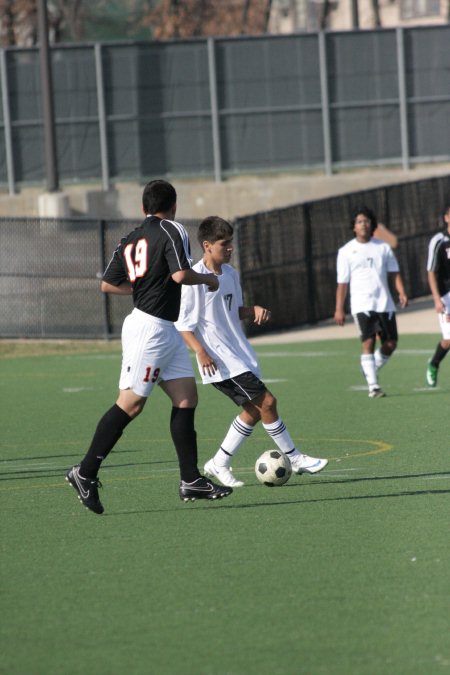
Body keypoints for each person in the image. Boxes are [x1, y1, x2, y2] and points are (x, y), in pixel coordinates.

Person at [66, 180, 233, 514]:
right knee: (130, 404)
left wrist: (143, 288)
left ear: (144, 208)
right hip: (150, 330)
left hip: (163, 327)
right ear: (173, 205)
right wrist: (209, 279)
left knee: (186, 397)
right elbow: (181, 275)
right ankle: (85, 472)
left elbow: (107, 284)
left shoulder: (131, 238)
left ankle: (190, 480)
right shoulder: (173, 228)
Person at [175, 216, 328, 488]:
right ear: (207, 245)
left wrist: (252, 310)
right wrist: (201, 352)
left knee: (253, 410)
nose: (230, 248)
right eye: (224, 244)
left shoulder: (231, 274)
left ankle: (218, 462)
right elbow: (184, 325)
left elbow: (233, 312)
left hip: (239, 354)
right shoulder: (195, 279)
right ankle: (295, 458)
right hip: (219, 359)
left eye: (231, 242)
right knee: (267, 402)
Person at [334, 206, 408, 398]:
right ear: (354, 227)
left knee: (391, 344)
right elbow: (342, 283)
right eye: (359, 222)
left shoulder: (383, 247)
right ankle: (373, 386)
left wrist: (401, 292)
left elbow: (394, 272)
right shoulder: (346, 251)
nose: (363, 225)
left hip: (384, 303)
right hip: (361, 304)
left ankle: (369, 368)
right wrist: (339, 309)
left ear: (372, 224)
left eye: (366, 221)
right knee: (368, 342)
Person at [425, 202, 450, 387]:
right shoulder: (439, 241)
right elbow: (431, 272)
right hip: (446, 295)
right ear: (446, 218)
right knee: (449, 340)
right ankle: (434, 363)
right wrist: (436, 299)